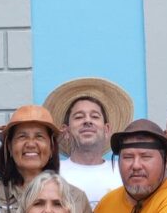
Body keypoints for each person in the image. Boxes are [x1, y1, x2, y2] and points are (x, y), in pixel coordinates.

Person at [44, 75, 128, 203]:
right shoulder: (52, 174)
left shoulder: (124, 171)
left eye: (94, 116)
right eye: (78, 117)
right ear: (66, 131)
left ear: (107, 130)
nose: (87, 121)